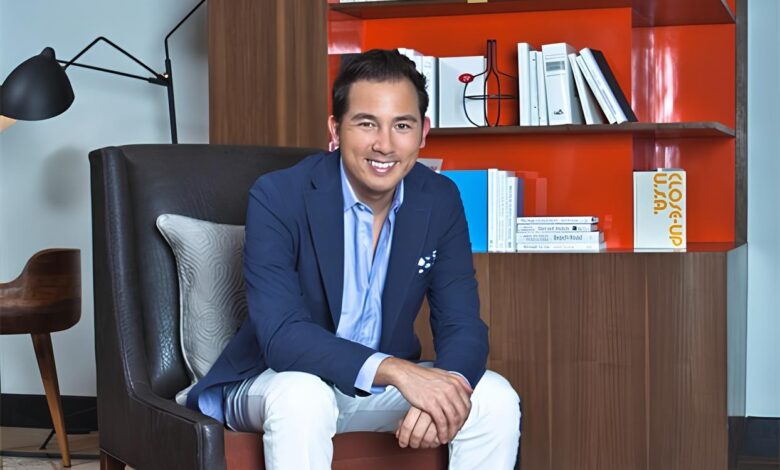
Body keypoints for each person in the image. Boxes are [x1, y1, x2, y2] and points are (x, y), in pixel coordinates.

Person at [187, 49, 521, 469]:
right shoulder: (278, 195)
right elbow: (282, 335)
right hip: (276, 380)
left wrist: (447, 389)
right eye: (366, 123)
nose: (385, 144)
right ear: (336, 129)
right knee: (303, 398)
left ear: (423, 133)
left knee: (494, 398)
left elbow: (462, 323)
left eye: (402, 125)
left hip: (374, 390)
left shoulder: (439, 198)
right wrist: (397, 371)